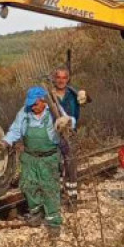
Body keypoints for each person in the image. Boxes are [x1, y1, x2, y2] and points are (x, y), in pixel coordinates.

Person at [0, 86, 71, 233]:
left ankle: (54, 223)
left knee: (50, 189)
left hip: (48, 157)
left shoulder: (55, 111)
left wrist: (66, 123)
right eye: (30, 104)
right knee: (28, 186)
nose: (32, 107)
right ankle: (36, 214)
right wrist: (4, 143)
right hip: (29, 157)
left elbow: (69, 122)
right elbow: (15, 130)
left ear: (43, 101)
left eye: (35, 104)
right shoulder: (24, 112)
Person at [50, 67, 85, 201]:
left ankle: (72, 198)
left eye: (64, 78)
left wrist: (85, 96)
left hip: (70, 135)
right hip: (53, 135)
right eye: (58, 77)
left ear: (68, 79)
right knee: (56, 166)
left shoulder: (73, 94)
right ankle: (57, 198)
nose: (61, 80)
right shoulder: (49, 95)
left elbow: (85, 103)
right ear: (54, 79)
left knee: (71, 166)